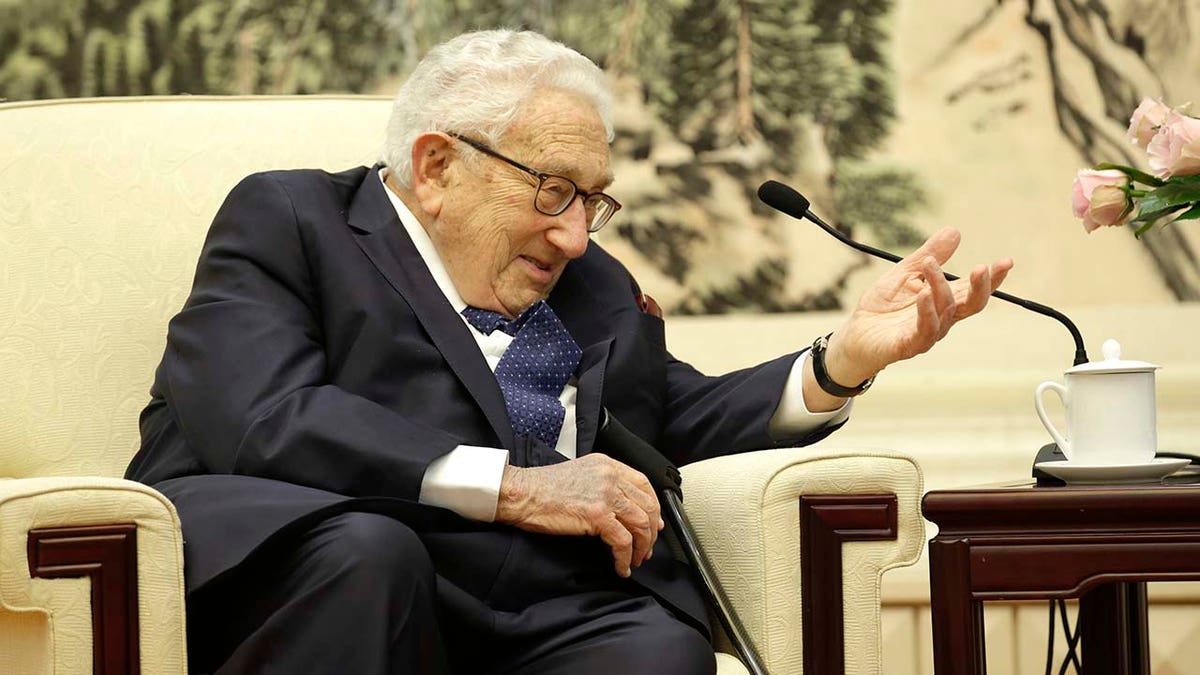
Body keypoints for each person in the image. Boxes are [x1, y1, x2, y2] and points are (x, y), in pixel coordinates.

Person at [127, 29, 1012, 675]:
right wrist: (519, 487)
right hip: (331, 569)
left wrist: (844, 358)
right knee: (371, 553)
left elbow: (673, 413)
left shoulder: (588, 283)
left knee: (657, 646)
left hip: (543, 603)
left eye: (594, 201)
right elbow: (262, 416)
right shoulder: (293, 222)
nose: (577, 235)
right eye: (554, 192)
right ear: (436, 167)